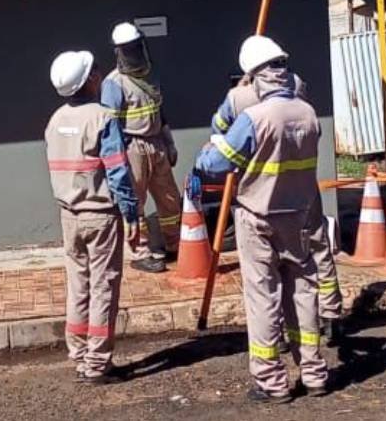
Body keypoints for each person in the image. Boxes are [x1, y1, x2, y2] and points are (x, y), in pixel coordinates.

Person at [195, 35, 329, 404]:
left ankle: (272, 381)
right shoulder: (306, 113)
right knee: (302, 292)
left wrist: (204, 154)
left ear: (254, 77)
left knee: (263, 297)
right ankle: (314, 372)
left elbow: (218, 163)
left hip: (258, 216)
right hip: (299, 216)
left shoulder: (255, 118)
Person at [209, 38, 344, 339]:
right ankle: (331, 313)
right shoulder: (297, 86)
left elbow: (218, 127)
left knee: (265, 276)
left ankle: (277, 334)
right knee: (316, 251)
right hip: (303, 191)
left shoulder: (237, 98)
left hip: (261, 193)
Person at [45, 50, 139, 385]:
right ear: (90, 80)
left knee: (78, 286)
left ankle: (80, 355)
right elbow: (118, 172)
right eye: (96, 70)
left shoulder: (55, 120)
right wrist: (132, 214)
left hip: (68, 215)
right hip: (100, 215)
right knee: (103, 286)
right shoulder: (102, 118)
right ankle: (97, 363)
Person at [101, 22, 182, 274]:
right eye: (128, 49)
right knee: (134, 202)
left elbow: (160, 111)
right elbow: (110, 124)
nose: (134, 52)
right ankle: (140, 252)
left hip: (156, 141)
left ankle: (174, 243)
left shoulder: (151, 73)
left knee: (169, 199)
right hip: (132, 145)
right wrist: (118, 157)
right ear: (119, 52)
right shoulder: (114, 83)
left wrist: (169, 142)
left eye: (136, 46)